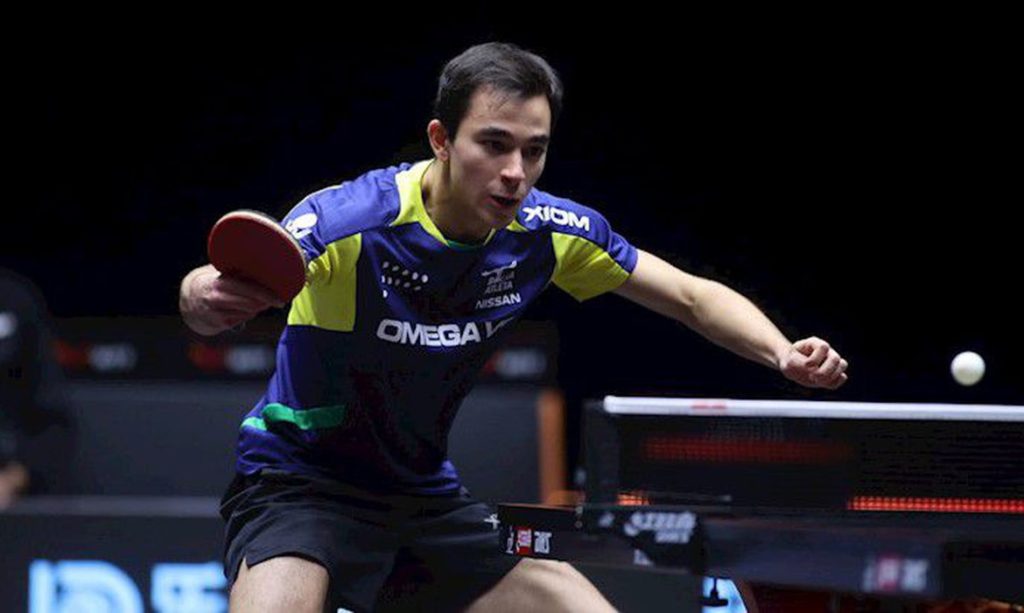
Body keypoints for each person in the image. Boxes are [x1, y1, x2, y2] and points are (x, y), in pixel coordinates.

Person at [179, 42, 848, 613]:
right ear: (441, 139)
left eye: (534, 151)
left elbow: (691, 296)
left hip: (423, 501)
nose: (515, 174)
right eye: (494, 144)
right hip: (299, 487)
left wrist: (781, 352)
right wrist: (203, 295)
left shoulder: (547, 233)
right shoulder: (353, 222)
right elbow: (217, 284)